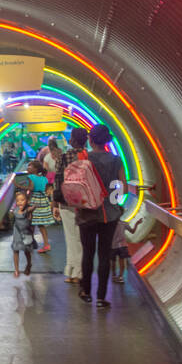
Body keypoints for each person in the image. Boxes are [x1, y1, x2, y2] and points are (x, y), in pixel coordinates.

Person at [75, 123, 126, 308]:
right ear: (107, 141)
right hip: (109, 215)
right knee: (105, 255)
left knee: (88, 254)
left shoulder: (82, 159)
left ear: (90, 139)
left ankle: (86, 292)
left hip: (86, 215)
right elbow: (123, 188)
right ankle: (101, 298)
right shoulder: (116, 160)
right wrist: (111, 202)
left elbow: (76, 188)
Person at [53, 128, 87, 284]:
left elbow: (58, 180)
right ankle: (81, 271)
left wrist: (55, 202)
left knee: (71, 236)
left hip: (67, 202)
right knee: (82, 237)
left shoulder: (65, 157)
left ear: (73, 140)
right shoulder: (89, 157)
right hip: (85, 203)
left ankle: (72, 271)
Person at [27, 166, 56, 252]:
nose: (28, 169)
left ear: (35, 169)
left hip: (34, 201)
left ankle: (31, 242)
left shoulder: (31, 177)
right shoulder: (44, 178)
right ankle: (46, 244)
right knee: (41, 225)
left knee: (31, 223)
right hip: (43, 201)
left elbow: (30, 190)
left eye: (30, 167)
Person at [11, 191, 36, 276]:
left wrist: (34, 207)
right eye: (18, 200)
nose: (20, 202)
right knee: (15, 250)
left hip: (26, 233)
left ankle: (29, 264)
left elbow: (31, 209)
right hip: (17, 232)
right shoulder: (15, 210)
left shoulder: (27, 211)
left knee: (27, 251)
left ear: (27, 201)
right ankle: (16, 270)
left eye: (22, 200)